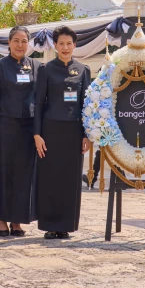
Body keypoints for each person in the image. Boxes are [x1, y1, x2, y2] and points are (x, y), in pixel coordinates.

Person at [33, 26, 91, 239]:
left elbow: (87, 105)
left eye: (69, 44)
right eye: (61, 44)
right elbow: (39, 103)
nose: (65, 48)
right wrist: (37, 134)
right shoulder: (46, 69)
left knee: (70, 179)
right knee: (50, 178)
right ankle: (50, 225)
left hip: (74, 133)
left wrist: (86, 134)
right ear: (55, 46)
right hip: (50, 131)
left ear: (74, 45)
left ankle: (66, 225)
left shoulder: (83, 70)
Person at [0, 25, 40, 237]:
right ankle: (1, 220)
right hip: (3, 127)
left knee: (24, 175)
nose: (20, 45)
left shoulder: (36, 66)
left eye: (24, 41)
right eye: (16, 40)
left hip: (28, 128)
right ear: (8, 43)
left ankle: (17, 220)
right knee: (2, 172)